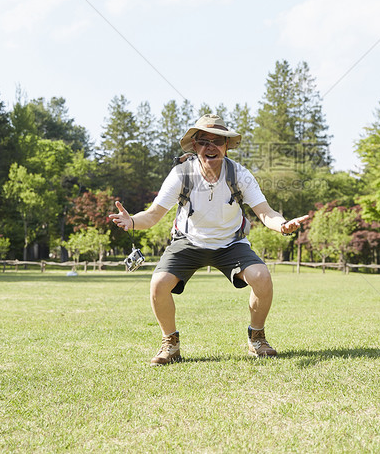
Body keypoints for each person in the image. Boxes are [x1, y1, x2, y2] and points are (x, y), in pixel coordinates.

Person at [109, 114, 310, 365]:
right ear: (195, 147)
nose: (210, 147)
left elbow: (265, 212)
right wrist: (133, 222)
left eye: (218, 141)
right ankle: (170, 344)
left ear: (227, 146)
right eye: (204, 141)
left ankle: (257, 338)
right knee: (158, 284)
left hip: (231, 244)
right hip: (188, 241)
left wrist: (282, 225)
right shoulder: (181, 175)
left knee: (262, 277)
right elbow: (152, 215)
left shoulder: (240, 175)